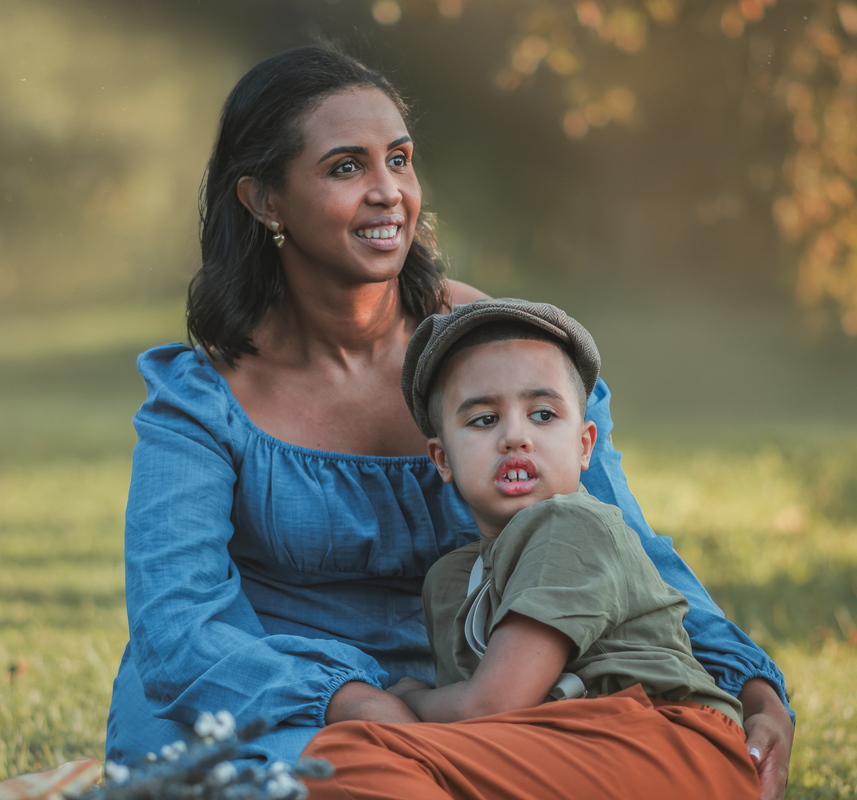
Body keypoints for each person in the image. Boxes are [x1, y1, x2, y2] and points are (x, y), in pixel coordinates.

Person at [104, 45, 795, 798]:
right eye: (346, 168)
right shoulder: (203, 397)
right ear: (265, 200)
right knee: (325, 781)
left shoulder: (502, 357)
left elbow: (614, 543)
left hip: (471, 700)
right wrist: (350, 700)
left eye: (398, 160)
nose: (388, 193)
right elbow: (178, 621)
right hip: (267, 695)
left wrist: (751, 683)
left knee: (669, 757)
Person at [302, 299, 759, 799]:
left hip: (668, 740)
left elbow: (491, 706)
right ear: (442, 458)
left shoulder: (573, 525)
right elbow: (482, 734)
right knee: (349, 761)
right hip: (564, 751)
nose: (515, 437)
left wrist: (412, 698)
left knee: (343, 753)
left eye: (542, 414)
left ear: (585, 445)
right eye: (482, 420)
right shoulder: (452, 580)